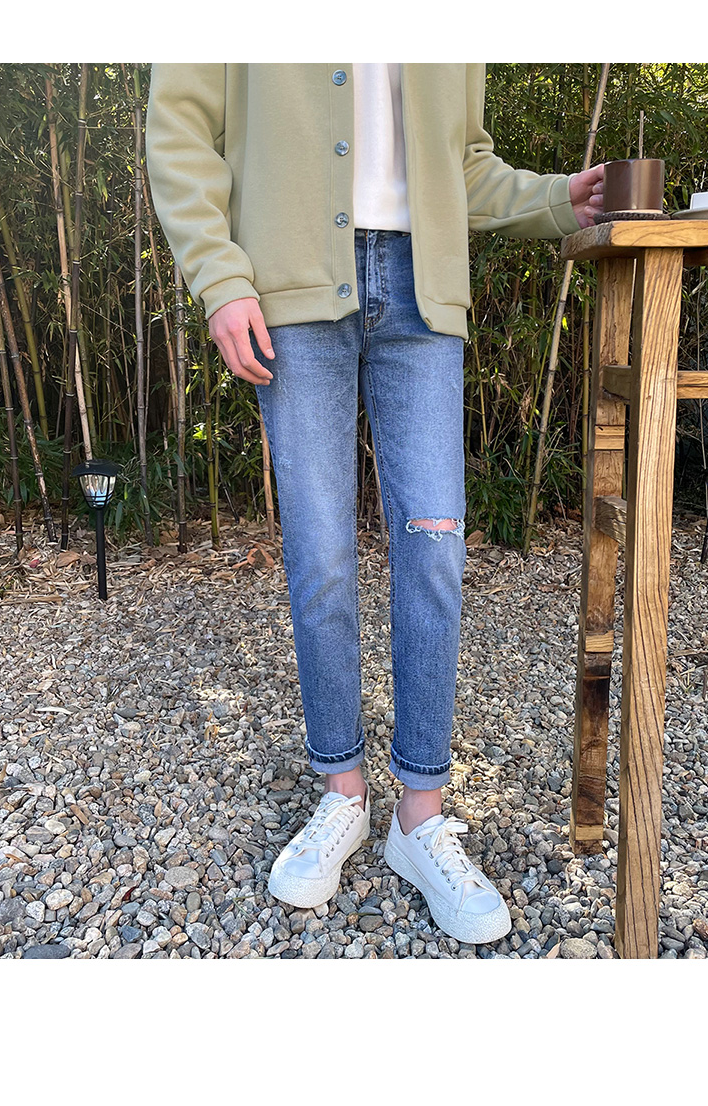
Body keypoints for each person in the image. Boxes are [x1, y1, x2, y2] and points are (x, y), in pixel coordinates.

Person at [146, 64, 603, 946]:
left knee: (434, 547)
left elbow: (462, 163)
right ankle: (343, 793)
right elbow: (180, 129)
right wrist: (219, 275)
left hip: (423, 293)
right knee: (320, 552)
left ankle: (418, 817)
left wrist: (557, 198)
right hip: (289, 286)